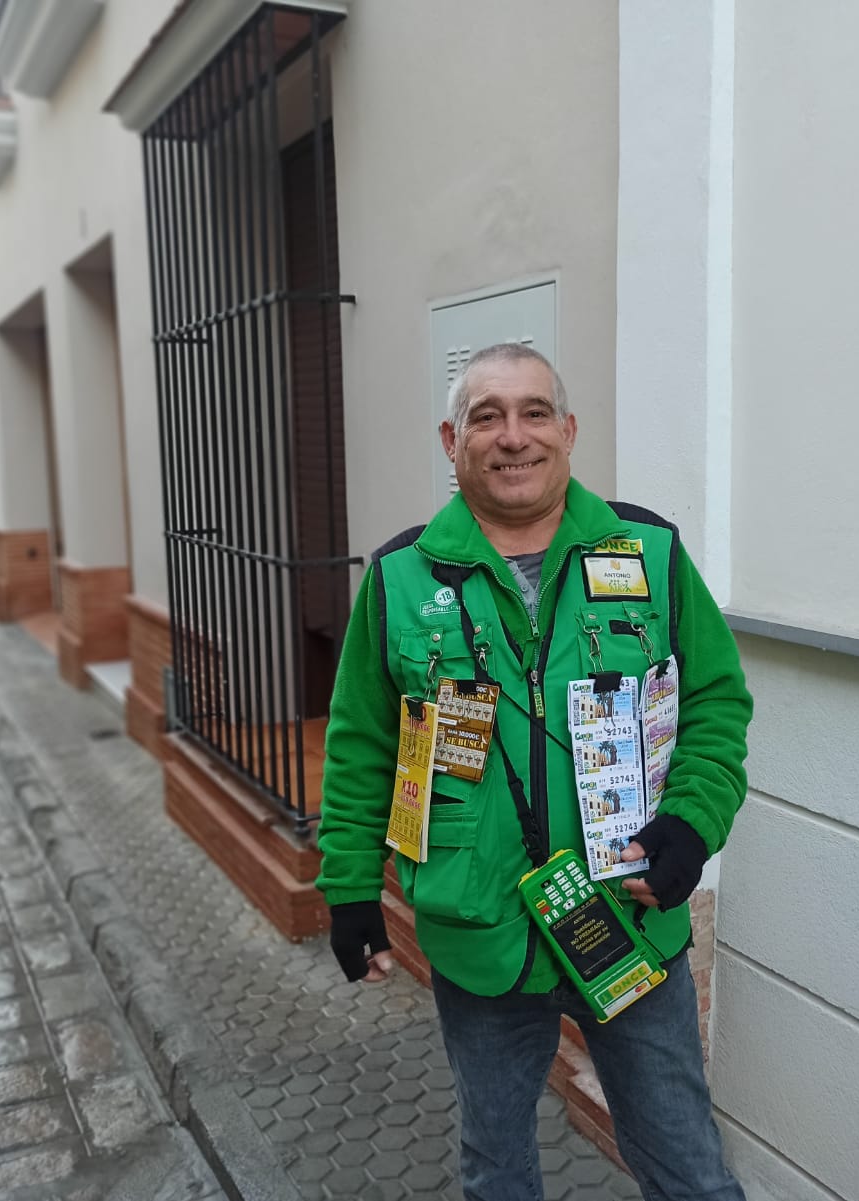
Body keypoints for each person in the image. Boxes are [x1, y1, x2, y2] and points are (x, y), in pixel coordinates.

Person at [316, 343, 752, 1201]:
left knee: (687, 1165)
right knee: (497, 1163)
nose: (512, 437)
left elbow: (716, 702)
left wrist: (693, 820)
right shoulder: (402, 578)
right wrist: (349, 888)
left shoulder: (649, 551)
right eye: (487, 416)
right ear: (452, 439)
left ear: (569, 430)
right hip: (480, 932)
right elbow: (362, 743)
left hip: (630, 917)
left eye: (533, 412)